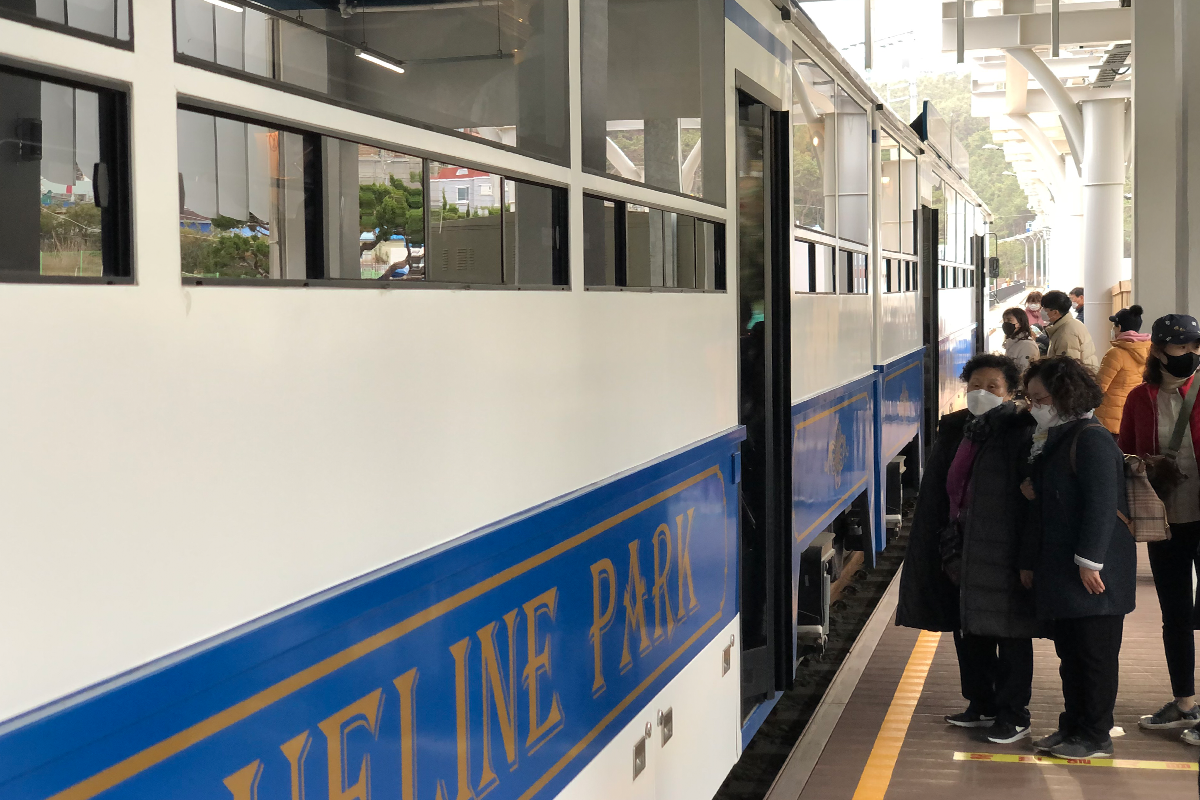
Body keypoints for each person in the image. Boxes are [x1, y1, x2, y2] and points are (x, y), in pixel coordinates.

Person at [897, 354, 1040, 744]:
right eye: (974, 385)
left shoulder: (1021, 431)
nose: (981, 393)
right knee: (968, 627)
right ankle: (981, 702)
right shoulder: (959, 429)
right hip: (959, 545)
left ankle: (1014, 713)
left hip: (1002, 549)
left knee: (1009, 631)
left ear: (1011, 392)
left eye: (992, 386)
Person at [1022, 356, 1136, 758]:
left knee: (1095, 655)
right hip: (1066, 569)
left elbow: (1102, 504)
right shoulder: (1060, 437)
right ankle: (1072, 725)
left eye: (1039, 398)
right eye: (1030, 398)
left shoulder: (1091, 438)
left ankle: (1096, 733)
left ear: (1064, 395)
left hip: (1096, 573)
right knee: (1071, 655)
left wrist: (1090, 560)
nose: (1033, 405)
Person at [1117, 313, 1200, 742]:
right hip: (1164, 519)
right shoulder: (1139, 398)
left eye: (1192, 347)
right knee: (1175, 613)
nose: (1187, 354)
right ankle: (1184, 702)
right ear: (1159, 351)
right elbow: (1126, 451)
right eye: (1179, 347)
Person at [1095, 305, 1150, 435]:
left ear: (1119, 327)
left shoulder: (1116, 353)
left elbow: (1100, 387)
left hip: (1108, 417)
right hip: (1131, 413)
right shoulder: (1148, 350)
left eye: (1114, 326)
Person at [1042, 289, 1098, 369]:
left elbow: (1067, 370)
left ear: (1055, 312)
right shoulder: (1070, 324)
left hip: (1075, 380)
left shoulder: (1066, 334)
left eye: (1045, 309)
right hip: (1084, 378)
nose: (1042, 311)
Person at [1001, 307, 1040, 374]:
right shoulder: (1012, 342)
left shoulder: (1027, 345)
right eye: (1004, 321)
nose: (1006, 324)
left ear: (1020, 323)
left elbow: (1025, 372)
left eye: (1009, 320)